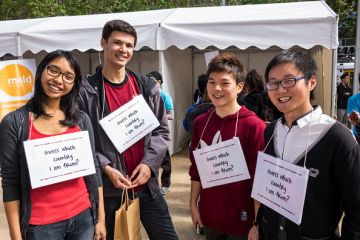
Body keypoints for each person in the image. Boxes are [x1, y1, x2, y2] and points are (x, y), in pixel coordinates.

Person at [77, 19, 178, 240]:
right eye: (117, 43)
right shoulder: (86, 92)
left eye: (129, 45)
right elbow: (79, 140)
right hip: (110, 191)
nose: (123, 49)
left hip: (146, 186)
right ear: (103, 43)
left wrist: (149, 164)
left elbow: (161, 132)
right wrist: (105, 167)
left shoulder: (146, 87)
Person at [249, 50, 360, 239]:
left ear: (312, 82)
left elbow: (356, 211)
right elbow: (267, 186)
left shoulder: (338, 138)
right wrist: (257, 223)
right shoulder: (271, 131)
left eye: (289, 80)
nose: (280, 89)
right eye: (273, 83)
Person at [0, 50, 106, 240]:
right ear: (41, 71)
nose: (59, 80)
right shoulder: (14, 123)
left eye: (68, 76)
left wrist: (101, 219)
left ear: (74, 84)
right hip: (41, 228)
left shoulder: (81, 120)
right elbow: (10, 182)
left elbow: (94, 169)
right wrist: (16, 236)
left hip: (83, 218)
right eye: (53, 70)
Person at [189, 53, 265, 240]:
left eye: (225, 83)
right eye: (212, 82)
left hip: (242, 220)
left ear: (239, 87)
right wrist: (193, 204)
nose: (216, 89)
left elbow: (259, 178)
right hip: (210, 216)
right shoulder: (201, 123)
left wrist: (257, 223)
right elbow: (196, 169)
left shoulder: (254, 126)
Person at [147, 70, 173, 195]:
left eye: (152, 80)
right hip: (148, 135)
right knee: (152, 161)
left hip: (160, 135)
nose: (149, 83)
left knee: (166, 163)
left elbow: (171, 115)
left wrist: (157, 118)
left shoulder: (165, 95)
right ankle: (155, 186)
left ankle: (166, 184)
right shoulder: (145, 93)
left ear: (159, 82)